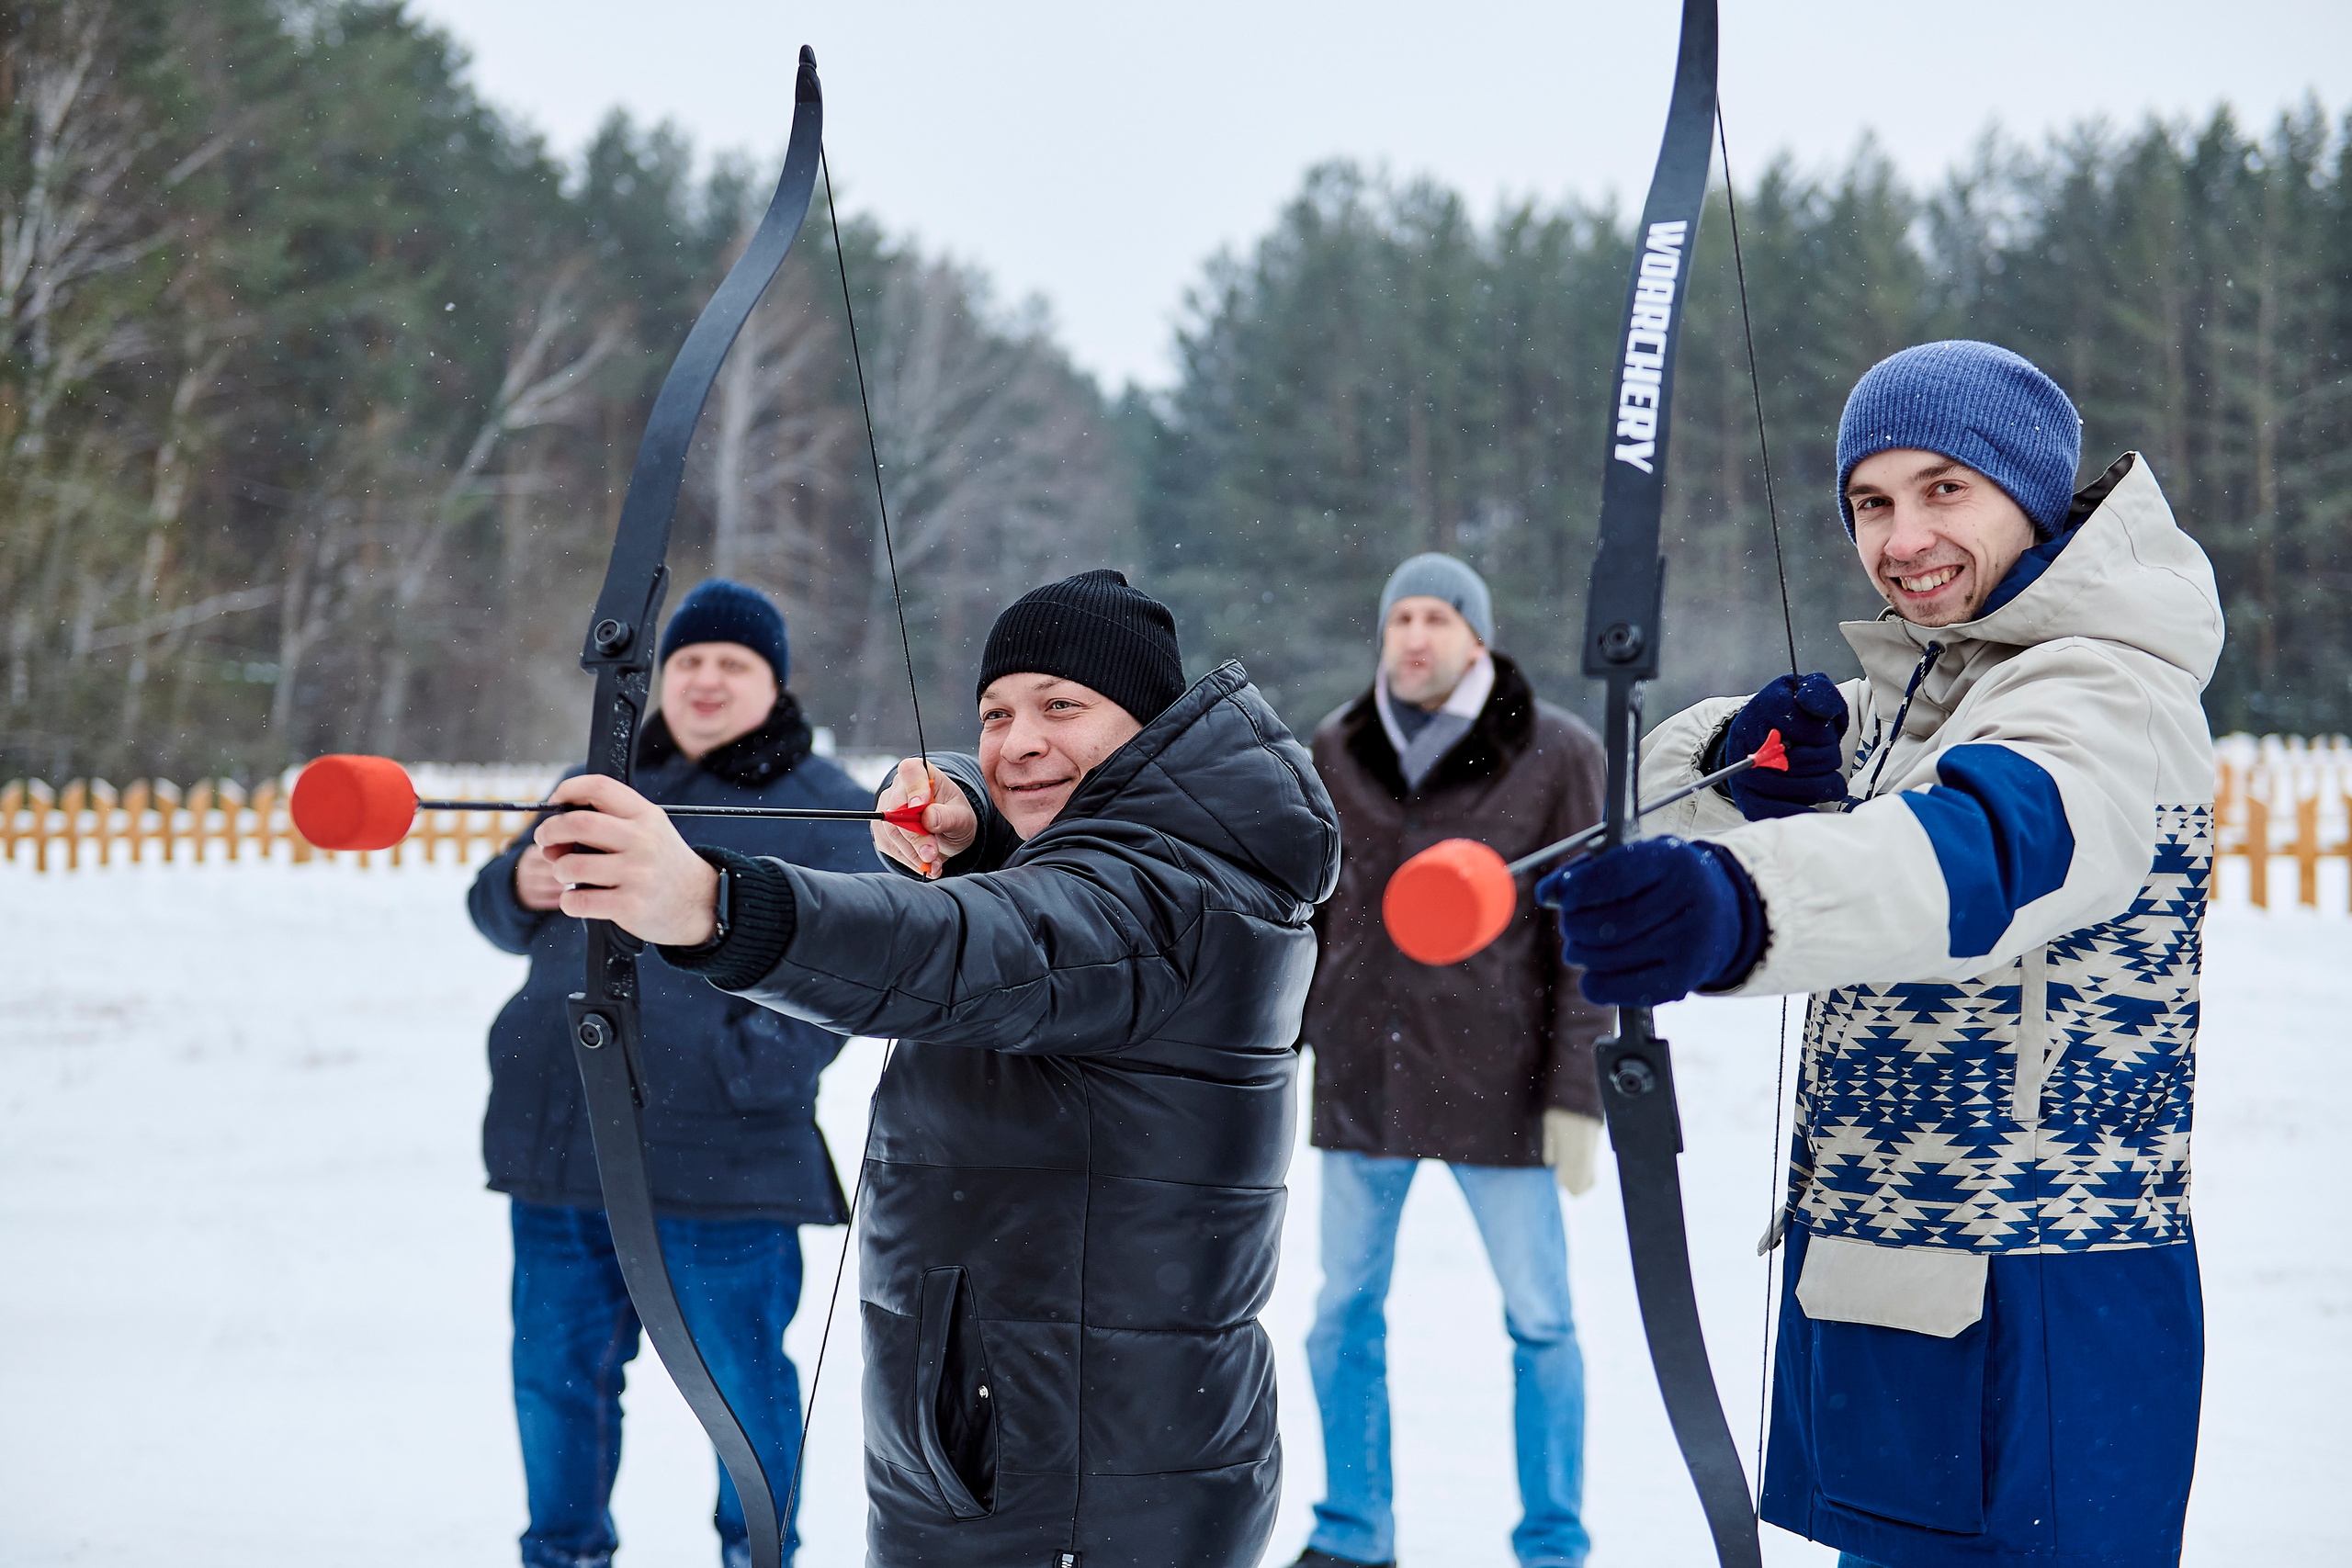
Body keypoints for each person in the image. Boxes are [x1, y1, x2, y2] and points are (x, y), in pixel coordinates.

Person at [1540, 342, 2217, 1568]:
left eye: (1943, 488)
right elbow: (1624, 814)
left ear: (2032, 494)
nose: (1902, 536)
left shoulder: (2109, 697)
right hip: (1895, 1295)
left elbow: (1974, 852)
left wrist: (1736, 901)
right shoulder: (1905, 700)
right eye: (1871, 500)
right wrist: (1733, 764)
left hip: (2051, 1305)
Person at [523, 569, 1342, 1568]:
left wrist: (714, 905)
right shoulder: (1170, 862)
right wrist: (964, 801)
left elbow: (968, 946)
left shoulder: (1160, 904)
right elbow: (1046, 871)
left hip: (1080, 1492)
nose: (1018, 740)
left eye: (1061, 706)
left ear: (1148, 727)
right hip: (1039, 1453)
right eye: (995, 712)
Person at [468, 579, 876, 1568]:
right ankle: (563, 1554)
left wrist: (747, 1073)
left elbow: (859, 964)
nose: (703, 680)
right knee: (557, 1375)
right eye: (688, 660)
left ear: (773, 682)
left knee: (739, 1384)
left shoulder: (824, 805)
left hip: (726, 1159)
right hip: (564, 1142)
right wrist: (516, 882)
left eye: (732, 663)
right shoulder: (601, 779)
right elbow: (496, 912)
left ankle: (758, 1554)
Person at [1292, 553, 1610, 1568]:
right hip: (1358, 1082)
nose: (1415, 637)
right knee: (1341, 1315)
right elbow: (1306, 919)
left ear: (1478, 634)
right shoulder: (1334, 748)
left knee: (1541, 1323)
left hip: (1500, 1088)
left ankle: (1553, 1544)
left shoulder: (1557, 752)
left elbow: (1588, 941)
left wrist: (1576, 1095)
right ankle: (1352, 1532)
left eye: (1437, 617)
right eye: (1400, 619)